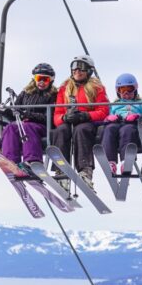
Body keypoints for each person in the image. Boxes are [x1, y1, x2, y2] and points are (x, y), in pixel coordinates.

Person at [53, 55, 109, 188]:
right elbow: (56, 114)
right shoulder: (65, 88)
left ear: (89, 70)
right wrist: (64, 118)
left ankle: (85, 170)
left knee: (81, 130)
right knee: (61, 130)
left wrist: (86, 115)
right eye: (74, 67)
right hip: (69, 121)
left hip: (88, 122)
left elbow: (104, 111)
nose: (77, 70)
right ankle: (61, 169)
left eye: (81, 67)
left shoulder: (97, 88)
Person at [0, 63, 57, 174]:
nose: (41, 82)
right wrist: (4, 111)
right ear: (34, 78)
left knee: (28, 126)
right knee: (10, 127)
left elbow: (50, 117)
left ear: (51, 80)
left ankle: (32, 162)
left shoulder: (53, 95)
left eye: (45, 79)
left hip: (42, 126)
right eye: (38, 78)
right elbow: (14, 113)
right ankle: (11, 161)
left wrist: (27, 115)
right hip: (22, 125)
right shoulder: (25, 93)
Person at [101, 73, 142, 175]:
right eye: (122, 90)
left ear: (135, 89)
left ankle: (126, 161)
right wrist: (109, 118)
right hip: (117, 123)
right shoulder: (115, 104)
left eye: (129, 89)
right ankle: (110, 161)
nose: (126, 93)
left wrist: (137, 117)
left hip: (132, 124)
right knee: (109, 129)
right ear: (118, 91)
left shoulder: (141, 103)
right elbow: (107, 117)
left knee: (127, 130)